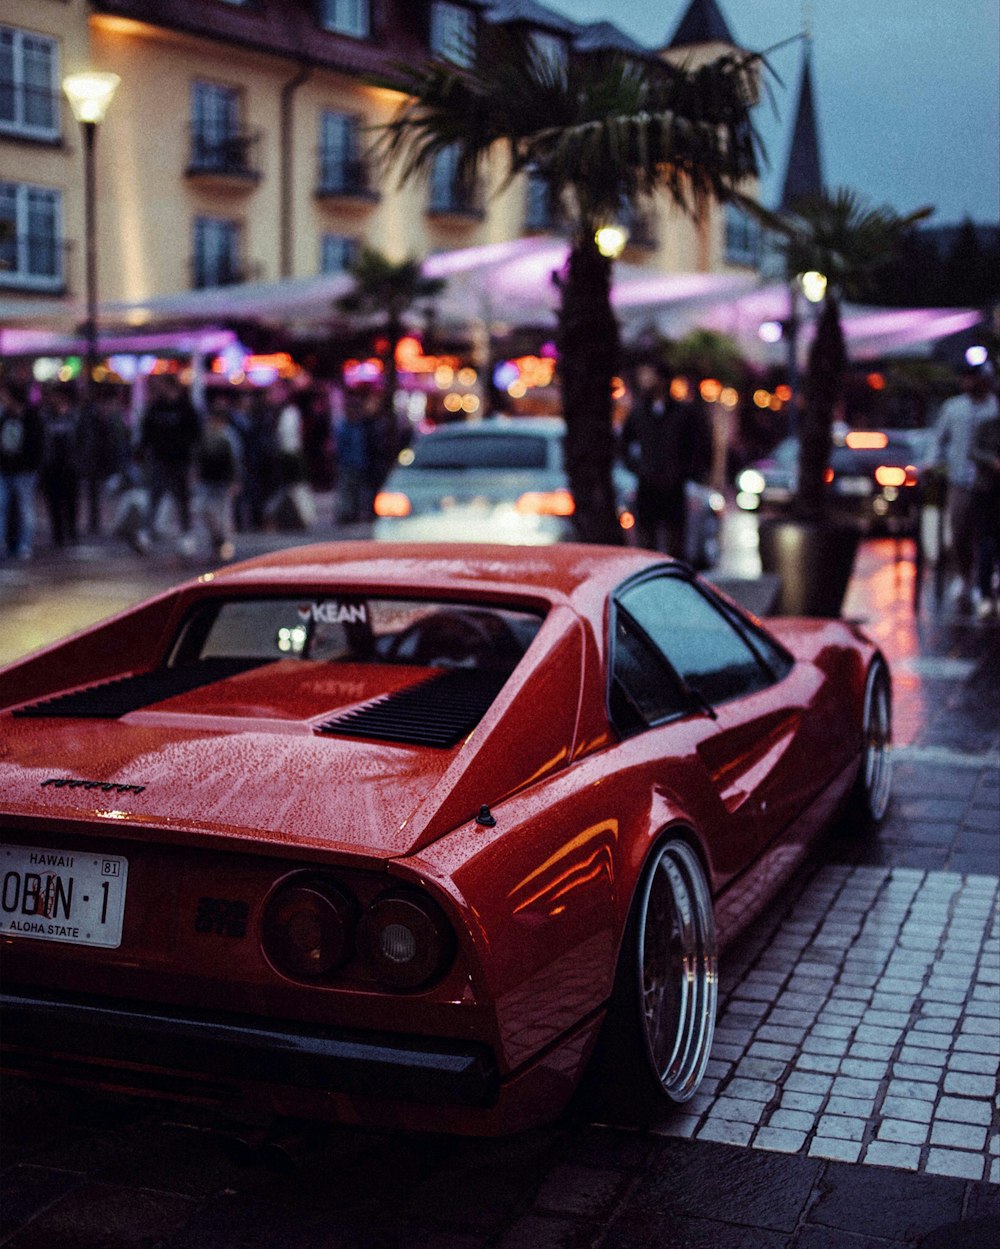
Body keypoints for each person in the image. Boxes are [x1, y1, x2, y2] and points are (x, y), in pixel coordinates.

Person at [620, 361, 711, 558]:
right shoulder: (639, 412)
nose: (646, 381)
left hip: (673, 488)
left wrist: (684, 472)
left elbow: (699, 446)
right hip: (647, 487)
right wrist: (639, 469)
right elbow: (623, 445)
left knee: (675, 543)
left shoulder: (683, 413)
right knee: (647, 545)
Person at [932, 362, 999, 612]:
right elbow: (939, 440)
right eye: (966, 377)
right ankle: (964, 576)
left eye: (974, 377)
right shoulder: (953, 408)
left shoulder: (994, 407)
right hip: (960, 481)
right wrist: (932, 463)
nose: (969, 382)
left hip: (990, 486)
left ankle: (985, 581)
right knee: (959, 530)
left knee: (987, 535)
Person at [136, 374, 201, 546]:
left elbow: (195, 435)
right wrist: (142, 450)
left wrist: (192, 459)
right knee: (155, 496)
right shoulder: (157, 407)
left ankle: (186, 535)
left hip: (179, 460)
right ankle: (146, 533)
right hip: (160, 458)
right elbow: (147, 431)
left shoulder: (185, 408)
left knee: (182, 498)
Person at [0, 380, 44, 561]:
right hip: (4, 469)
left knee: (25, 508)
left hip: (24, 471)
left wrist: (32, 466)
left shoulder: (31, 417)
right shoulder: (4, 417)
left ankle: (24, 544)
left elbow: (37, 445)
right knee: (2, 506)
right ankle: (3, 544)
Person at [196, 397, 241, 561]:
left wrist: (235, 480)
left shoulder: (228, 436)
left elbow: (235, 459)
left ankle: (223, 545)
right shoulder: (206, 435)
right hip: (208, 480)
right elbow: (199, 456)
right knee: (206, 510)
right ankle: (218, 541)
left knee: (223, 515)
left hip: (222, 480)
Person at [39, 384, 81, 547]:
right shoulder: (45, 416)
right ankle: (58, 534)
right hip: (51, 465)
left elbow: (83, 438)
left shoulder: (75, 416)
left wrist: (79, 459)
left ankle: (72, 531)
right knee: (53, 501)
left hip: (70, 466)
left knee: (71, 501)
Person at [969, 400, 1000, 618]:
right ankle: (985, 594)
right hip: (987, 491)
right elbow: (972, 451)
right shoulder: (988, 426)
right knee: (987, 543)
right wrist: (991, 462)